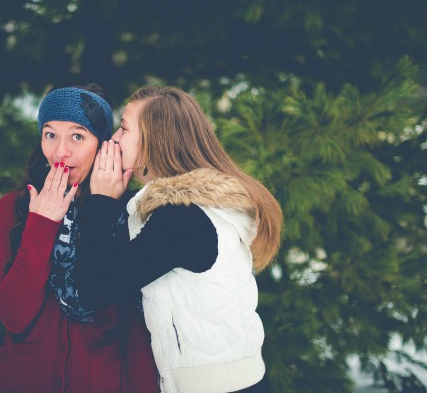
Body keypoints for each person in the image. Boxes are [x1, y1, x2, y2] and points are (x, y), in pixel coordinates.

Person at [70, 86, 283, 393]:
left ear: (155, 139)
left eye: (125, 128)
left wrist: (100, 202)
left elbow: (93, 289)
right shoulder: (203, 208)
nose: (114, 138)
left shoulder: (181, 220)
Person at [0, 84, 158, 392]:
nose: (60, 151)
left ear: (102, 145)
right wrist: (41, 224)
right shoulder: (13, 209)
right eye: (50, 134)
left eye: (77, 136)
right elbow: (13, 317)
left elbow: (137, 329)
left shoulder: (129, 212)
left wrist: (103, 208)